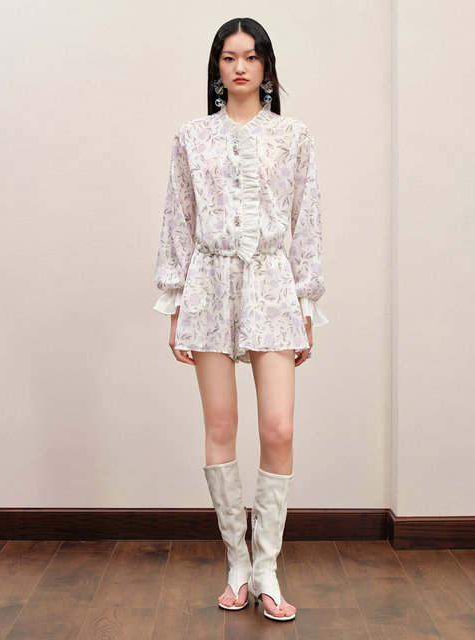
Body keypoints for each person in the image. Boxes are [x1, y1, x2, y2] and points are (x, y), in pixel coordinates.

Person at [153, 17, 328, 622]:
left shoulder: (294, 136)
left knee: (278, 428)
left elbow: (307, 221)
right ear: (217, 68)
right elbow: (178, 219)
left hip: (273, 283)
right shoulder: (192, 137)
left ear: (266, 66)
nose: (240, 67)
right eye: (229, 58)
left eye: (251, 57)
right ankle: (235, 562)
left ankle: (266, 568)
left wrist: (306, 305)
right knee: (221, 425)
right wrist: (175, 305)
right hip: (208, 285)